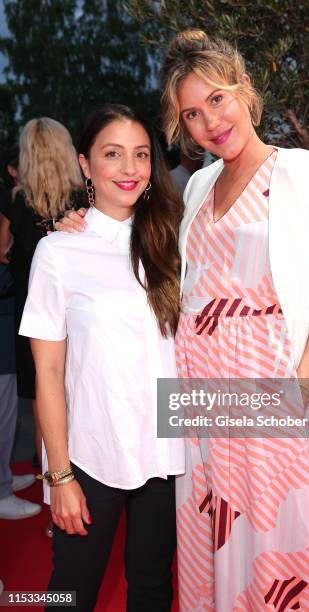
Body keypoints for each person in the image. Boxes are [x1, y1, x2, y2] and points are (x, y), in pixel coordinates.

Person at [57, 32, 309, 611]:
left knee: (278, 559)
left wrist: (298, 393)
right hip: (196, 406)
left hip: (277, 398)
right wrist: (77, 226)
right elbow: (146, 250)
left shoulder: (308, 173)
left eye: (217, 100)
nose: (210, 123)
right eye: (191, 114)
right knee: (208, 548)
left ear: (243, 88)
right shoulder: (195, 185)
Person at [19, 104, 184, 611]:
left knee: (154, 588)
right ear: (85, 164)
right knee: (72, 594)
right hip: (90, 455)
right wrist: (59, 477)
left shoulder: (172, 240)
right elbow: (46, 373)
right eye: (113, 155)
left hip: (164, 452)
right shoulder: (58, 252)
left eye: (140, 155)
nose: (130, 169)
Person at [0, 119, 84, 486]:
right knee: (78, 402)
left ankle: (56, 500)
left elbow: (3, 253)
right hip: (78, 317)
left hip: (32, 318)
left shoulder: (14, 202)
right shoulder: (85, 200)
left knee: (42, 405)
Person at [0, 149, 41, 520]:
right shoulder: (11, 203)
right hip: (9, 313)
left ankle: (5, 481)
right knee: (7, 407)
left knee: (11, 407)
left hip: (14, 312)